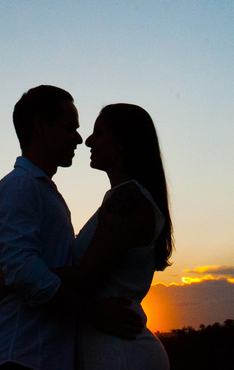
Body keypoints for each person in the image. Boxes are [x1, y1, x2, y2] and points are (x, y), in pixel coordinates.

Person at [0, 86, 141, 370]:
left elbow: (25, 271)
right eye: (70, 128)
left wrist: (8, 280)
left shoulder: (43, 192)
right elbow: (24, 270)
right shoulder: (19, 186)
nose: (79, 139)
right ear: (40, 126)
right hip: (18, 354)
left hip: (40, 355)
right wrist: (94, 312)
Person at [62, 103, 172, 370]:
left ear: (120, 144)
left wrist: (15, 276)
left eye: (99, 133)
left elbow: (86, 278)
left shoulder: (127, 198)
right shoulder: (124, 198)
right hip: (111, 349)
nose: (88, 141)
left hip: (122, 353)